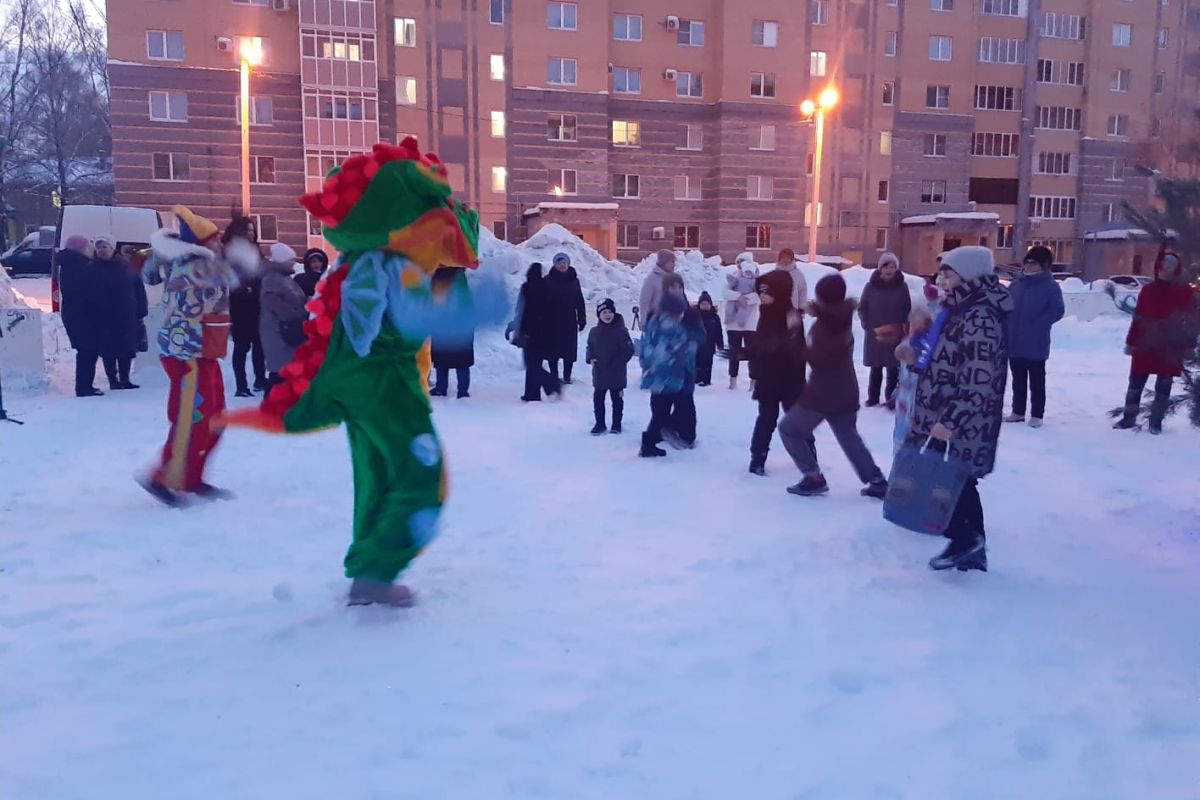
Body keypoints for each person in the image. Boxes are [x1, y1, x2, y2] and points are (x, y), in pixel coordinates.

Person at [910, 246, 1012, 572]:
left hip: (963, 417)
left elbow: (978, 379)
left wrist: (950, 421)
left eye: (948, 273)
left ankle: (964, 538)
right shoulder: (959, 309)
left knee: (946, 479)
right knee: (962, 479)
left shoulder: (980, 317)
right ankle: (974, 549)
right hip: (948, 410)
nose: (942, 279)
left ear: (968, 275)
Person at [139, 206, 242, 506]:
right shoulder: (195, 266)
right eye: (215, 238)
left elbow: (150, 276)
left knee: (214, 417)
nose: (219, 243)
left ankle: (190, 477)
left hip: (202, 352)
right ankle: (162, 477)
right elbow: (222, 289)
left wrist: (162, 252)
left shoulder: (193, 262)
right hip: (186, 353)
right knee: (192, 418)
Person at [777, 274, 888, 498]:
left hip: (823, 394)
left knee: (788, 429)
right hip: (844, 391)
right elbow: (831, 317)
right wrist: (818, 311)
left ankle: (812, 476)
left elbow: (817, 359)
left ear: (824, 298)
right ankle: (876, 480)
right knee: (849, 438)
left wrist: (795, 331)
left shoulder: (829, 330)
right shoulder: (840, 316)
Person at [1113, 249, 1198, 434]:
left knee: (1164, 386)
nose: (1164, 269)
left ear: (1175, 269)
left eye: (1168, 266)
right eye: (1161, 265)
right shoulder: (1148, 290)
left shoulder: (1184, 293)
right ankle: (1129, 418)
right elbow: (1138, 318)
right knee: (1135, 383)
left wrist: (1189, 344)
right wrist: (1131, 341)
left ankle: (1155, 422)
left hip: (1170, 345)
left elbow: (1191, 321)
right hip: (1145, 344)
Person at [748, 270, 809, 476]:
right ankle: (757, 458)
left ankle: (810, 456)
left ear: (780, 291)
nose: (762, 296)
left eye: (767, 292)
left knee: (798, 419)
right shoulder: (765, 313)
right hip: (768, 377)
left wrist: (772, 348)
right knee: (766, 418)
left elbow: (797, 347)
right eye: (761, 291)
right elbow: (760, 345)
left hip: (789, 378)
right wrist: (749, 355)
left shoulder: (791, 315)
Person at [638, 284, 704, 457]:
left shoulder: (657, 323)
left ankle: (652, 442)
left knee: (662, 412)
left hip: (663, 377)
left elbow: (647, 348)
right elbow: (676, 350)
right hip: (669, 378)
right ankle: (648, 444)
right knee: (661, 414)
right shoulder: (671, 327)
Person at [1004, 245, 1065, 428]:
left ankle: (1037, 414)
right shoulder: (1017, 285)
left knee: (1037, 381)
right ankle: (1018, 411)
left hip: (1036, 342)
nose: (1029, 266)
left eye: (1034, 263)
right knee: (1018, 379)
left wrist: (1038, 325)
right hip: (1015, 341)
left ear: (1044, 265)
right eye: (1027, 262)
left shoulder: (1050, 287)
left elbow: (1057, 310)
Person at [858, 251, 912, 407]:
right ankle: (873, 397)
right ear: (880, 268)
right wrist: (866, 323)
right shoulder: (870, 287)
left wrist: (904, 326)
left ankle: (891, 397)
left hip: (895, 332)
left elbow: (906, 308)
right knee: (876, 367)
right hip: (875, 332)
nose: (889, 270)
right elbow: (863, 307)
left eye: (893, 267)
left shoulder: (902, 287)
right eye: (887, 267)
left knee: (893, 367)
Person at [92, 235, 144, 391]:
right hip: (104, 316)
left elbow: (139, 290)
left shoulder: (126, 266)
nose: (101, 250)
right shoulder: (93, 267)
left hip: (126, 315)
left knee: (126, 348)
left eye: (104, 247)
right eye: (99, 247)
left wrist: (141, 311)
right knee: (108, 350)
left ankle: (125, 379)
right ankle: (113, 380)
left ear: (112, 248)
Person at [57, 234, 104, 397]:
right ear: (81, 249)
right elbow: (89, 292)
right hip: (82, 315)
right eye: (88, 247)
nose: (91, 250)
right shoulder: (80, 266)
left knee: (86, 350)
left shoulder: (71, 264)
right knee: (88, 350)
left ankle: (85, 385)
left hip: (75, 313)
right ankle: (84, 387)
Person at [258, 242, 308, 395]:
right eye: (290, 259)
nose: (293, 262)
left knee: (286, 372)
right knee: (280, 372)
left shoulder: (283, 278)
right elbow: (272, 302)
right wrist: (297, 313)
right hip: (278, 333)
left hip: (286, 331)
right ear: (282, 261)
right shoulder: (273, 279)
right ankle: (271, 405)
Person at [224, 218, 266, 398]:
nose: (251, 233)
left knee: (259, 344)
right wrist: (243, 288)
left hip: (258, 304)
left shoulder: (256, 251)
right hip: (240, 307)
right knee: (242, 347)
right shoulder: (231, 252)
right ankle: (241, 385)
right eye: (247, 230)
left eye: (252, 230)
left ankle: (259, 379)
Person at [892, 305, 938, 455]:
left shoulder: (929, 344)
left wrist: (911, 357)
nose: (911, 323)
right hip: (905, 397)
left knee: (914, 435)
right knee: (901, 433)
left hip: (918, 398)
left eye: (915, 320)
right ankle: (900, 462)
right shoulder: (909, 339)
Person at [585, 298, 634, 434]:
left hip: (616, 373)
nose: (607, 315)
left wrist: (618, 362)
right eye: (604, 312)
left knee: (617, 400)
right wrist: (591, 358)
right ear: (599, 315)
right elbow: (590, 347)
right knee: (598, 399)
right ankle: (599, 424)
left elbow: (629, 350)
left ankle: (616, 424)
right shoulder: (594, 332)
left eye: (610, 312)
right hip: (600, 372)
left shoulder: (621, 331)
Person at [515, 262, 562, 401]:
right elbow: (553, 310)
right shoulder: (548, 287)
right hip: (544, 332)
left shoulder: (526, 288)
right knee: (535, 363)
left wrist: (519, 329)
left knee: (531, 364)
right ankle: (533, 393)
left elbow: (521, 309)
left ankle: (551, 384)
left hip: (528, 331)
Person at [430, 266, 475, 398]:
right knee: (462, 363)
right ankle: (462, 391)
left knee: (442, 361)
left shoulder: (438, 281)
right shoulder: (462, 286)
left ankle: (441, 388)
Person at [543, 252, 586, 384]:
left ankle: (567, 376)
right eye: (560, 262)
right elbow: (541, 301)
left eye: (565, 262)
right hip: (552, 321)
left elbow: (579, 301)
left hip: (569, 321)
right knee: (552, 351)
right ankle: (554, 375)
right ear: (555, 264)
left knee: (569, 350)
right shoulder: (547, 280)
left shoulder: (574, 280)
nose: (562, 265)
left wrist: (582, 319)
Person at [724, 255, 761, 389]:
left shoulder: (756, 278)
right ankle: (732, 380)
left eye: (743, 261)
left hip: (750, 324)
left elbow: (759, 295)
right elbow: (725, 293)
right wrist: (738, 297)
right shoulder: (733, 277)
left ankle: (753, 381)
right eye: (738, 261)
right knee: (734, 352)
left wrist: (745, 299)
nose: (740, 264)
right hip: (733, 324)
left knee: (753, 353)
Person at [639, 249, 676, 322]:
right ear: (664, 262)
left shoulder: (674, 278)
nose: (674, 264)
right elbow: (644, 303)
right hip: (657, 323)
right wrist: (644, 321)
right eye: (672, 262)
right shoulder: (651, 279)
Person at [695, 291, 723, 386]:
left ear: (711, 304)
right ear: (699, 304)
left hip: (709, 345)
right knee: (697, 363)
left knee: (708, 363)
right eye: (702, 304)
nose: (705, 306)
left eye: (707, 304)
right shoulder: (695, 316)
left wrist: (720, 343)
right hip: (696, 345)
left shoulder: (714, 317)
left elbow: (719, 332)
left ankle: (706, 380)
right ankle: (697, 379)